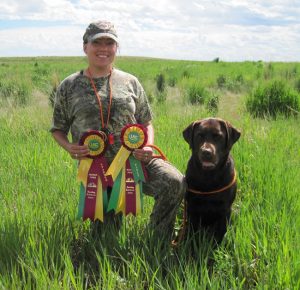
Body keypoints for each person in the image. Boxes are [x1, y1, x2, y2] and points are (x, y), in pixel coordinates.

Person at [50, 20, 185, 241]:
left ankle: (157, 240)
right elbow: (58, 128)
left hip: (136, 162)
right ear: (85, 47)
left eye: (109, 43)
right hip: (98, 171)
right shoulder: (69, 86)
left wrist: (149, 145)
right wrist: (69, 147)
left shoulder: (130, 81)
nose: (103, 48)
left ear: (116, 48)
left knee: (174, 182)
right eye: (97, 42)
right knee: (105, 239)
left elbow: (147, 121)